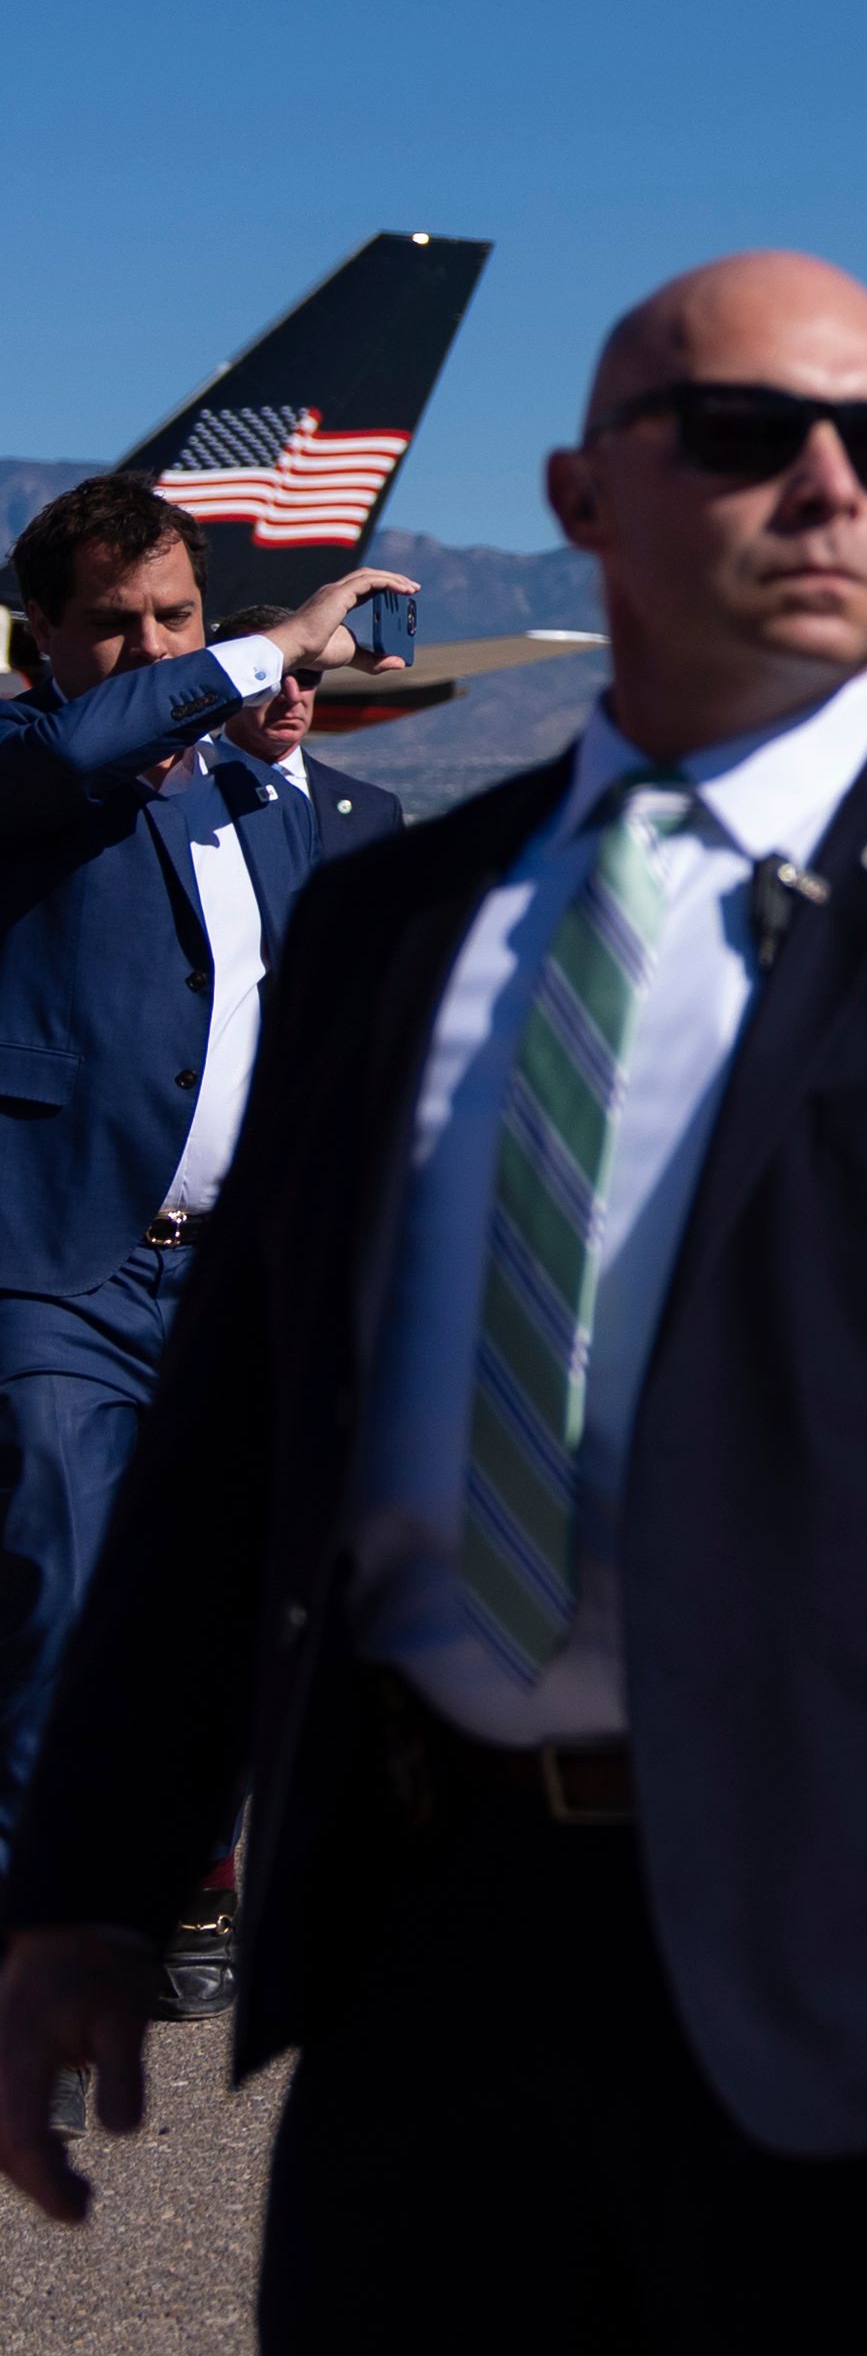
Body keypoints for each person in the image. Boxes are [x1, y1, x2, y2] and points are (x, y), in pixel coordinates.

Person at [0, 253, 867, 2352]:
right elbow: (234, 1442)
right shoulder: (390, 924)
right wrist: (86, 1874)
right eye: (745, 434)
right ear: (582, 492)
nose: (828, 486)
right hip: (421, 1955)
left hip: (850, 1960)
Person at [0, 486, 412, 1900]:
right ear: (36, 636)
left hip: (244, 1270)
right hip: (61, 1262)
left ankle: (185, 1873)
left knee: (241, 1595)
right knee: (54, 1594)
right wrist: (264, 645)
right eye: (114, 628)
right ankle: (33, 1940)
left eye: (177, 617)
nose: (155, 649)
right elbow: (84, 755)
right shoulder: (25, 757)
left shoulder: (256, 797)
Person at [218, 601, 408, 861]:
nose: (293, 695)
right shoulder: (178, 794)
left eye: (307, 676)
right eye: (271, 678)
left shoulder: (374, 811)